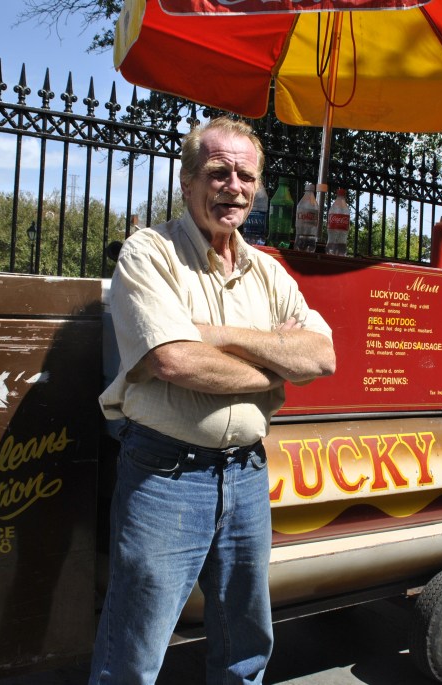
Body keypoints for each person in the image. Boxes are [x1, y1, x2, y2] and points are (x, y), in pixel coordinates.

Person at [90, 117, 336, 685]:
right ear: (187, 181)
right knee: (132, 653)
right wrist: (274, 367)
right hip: (166, 476)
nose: (234, 187)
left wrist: (215, 335)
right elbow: (174, 360)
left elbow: (322, 357)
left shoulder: (267, 271)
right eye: (218, 172)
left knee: (244, 649)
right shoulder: (150, 253)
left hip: (247, 475)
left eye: (246, 176)